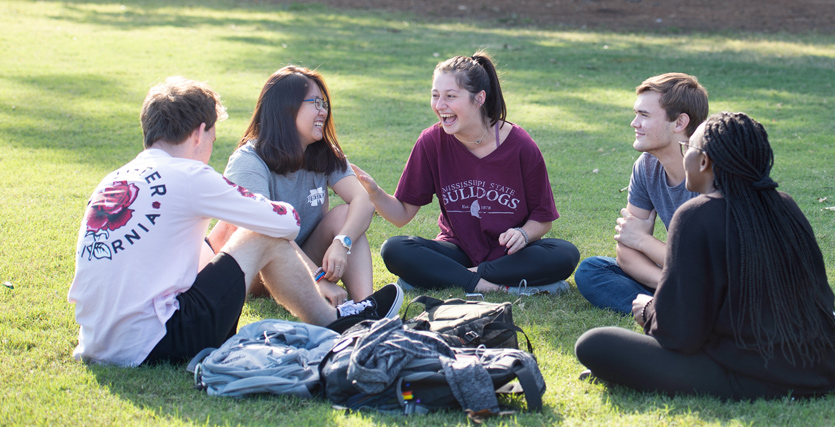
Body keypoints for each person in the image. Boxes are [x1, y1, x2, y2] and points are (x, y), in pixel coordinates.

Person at [67, 78, 401, 367]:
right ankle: (334, 323)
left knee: (227, 232)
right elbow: (282, 222)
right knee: (262, 233)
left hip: (97, 342)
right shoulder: (190, 174)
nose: (212, 145)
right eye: (212, 136)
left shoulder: (113, 180)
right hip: (155, 341)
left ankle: (345, 312)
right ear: (200, 133)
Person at [575, 112, 835, 400]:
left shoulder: (695, 215)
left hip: (756, 376)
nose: (684, 157)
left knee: (594, 344)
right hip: (827, 369)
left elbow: (678, 336)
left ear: (704, 161)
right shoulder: (785, 205)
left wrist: (649, 311)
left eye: (687, 149)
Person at [355, 52, 579, 295]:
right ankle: (494, 285)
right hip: (457, 252)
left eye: (451, 96)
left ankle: (452, 278)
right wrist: (375, 193)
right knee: (395, 249)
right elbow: (401, 215)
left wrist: (523, 234)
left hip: (511, 254)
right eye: (435, 96)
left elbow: (543, 218)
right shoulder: (431, 142)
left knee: (565, 254)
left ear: (479, 98)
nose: (440, 106)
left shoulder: (520, 144)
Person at [209, 66, 375, 306]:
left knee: (346, 215)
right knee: (269, 226)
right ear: (286, 108)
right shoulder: (249, 160)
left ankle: (366, 307)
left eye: (324, 104)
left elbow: (363, 201)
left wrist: (342, 242)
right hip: (256, 269)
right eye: (315, 103)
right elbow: (265, 231)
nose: (323, 112)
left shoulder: (324, 154)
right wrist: (317, 279)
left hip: (301, 258)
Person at [574, 73, 708, 314]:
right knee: (592, 270)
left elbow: (706, 266)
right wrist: (672, 284)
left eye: (644, 115)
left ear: (679, 123)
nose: (634, 123)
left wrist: (644, 241)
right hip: (682, 278)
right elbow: (626, 250)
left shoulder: (711, 172)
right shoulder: (646, 166)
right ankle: (676, 303)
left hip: (725, 279)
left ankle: (670, 307)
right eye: (636, 114)